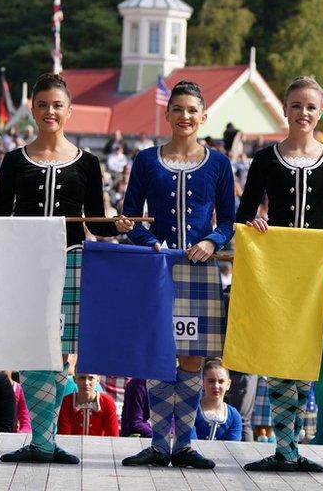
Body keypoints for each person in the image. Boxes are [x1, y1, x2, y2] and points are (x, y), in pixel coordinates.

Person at [233, 76, 323, 472]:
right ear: (285, 110)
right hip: (275, 265)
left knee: (304, 351)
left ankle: (292, 446)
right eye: (296, 106)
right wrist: (255, 223)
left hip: (315, 266)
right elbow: (244, 213)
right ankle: (284, 447)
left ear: (320, 111)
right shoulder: (264, 157)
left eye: (311, 107)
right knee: (278, 353)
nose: (303, 113)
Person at [0, 73, 118, 465]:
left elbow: (95, 220)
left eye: (57, 105)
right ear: (32, 108)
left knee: (60, 353)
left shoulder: (89, 162)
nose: (50, 111)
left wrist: (119, 225)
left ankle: (45, 441)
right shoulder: (14, 160)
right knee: (31, 349)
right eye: (43, 104)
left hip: (71, 260)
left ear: (69, 110)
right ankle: (38, 442)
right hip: (25, 263)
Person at [116, 80, 236, 470]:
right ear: (167, 115)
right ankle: (156, 442)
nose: (184, 117)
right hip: (157, 269)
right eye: (177, 110)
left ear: (203, 117)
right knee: (156, 354)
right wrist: (149, 241)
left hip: (200, 269)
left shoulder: (218, 163)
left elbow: (230, 220)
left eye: (191, 111)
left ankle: (183, 443)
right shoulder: (147, 160)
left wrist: (213, 241)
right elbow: (131, 216)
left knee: (191, 356)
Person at [192, 361, 242, 442]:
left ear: (228, 384)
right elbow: (191, 444)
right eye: (211, 381)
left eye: (221, 381)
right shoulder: (192, 411)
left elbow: (233, 447)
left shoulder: (234, 416)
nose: (216, 386)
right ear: (202, 382)